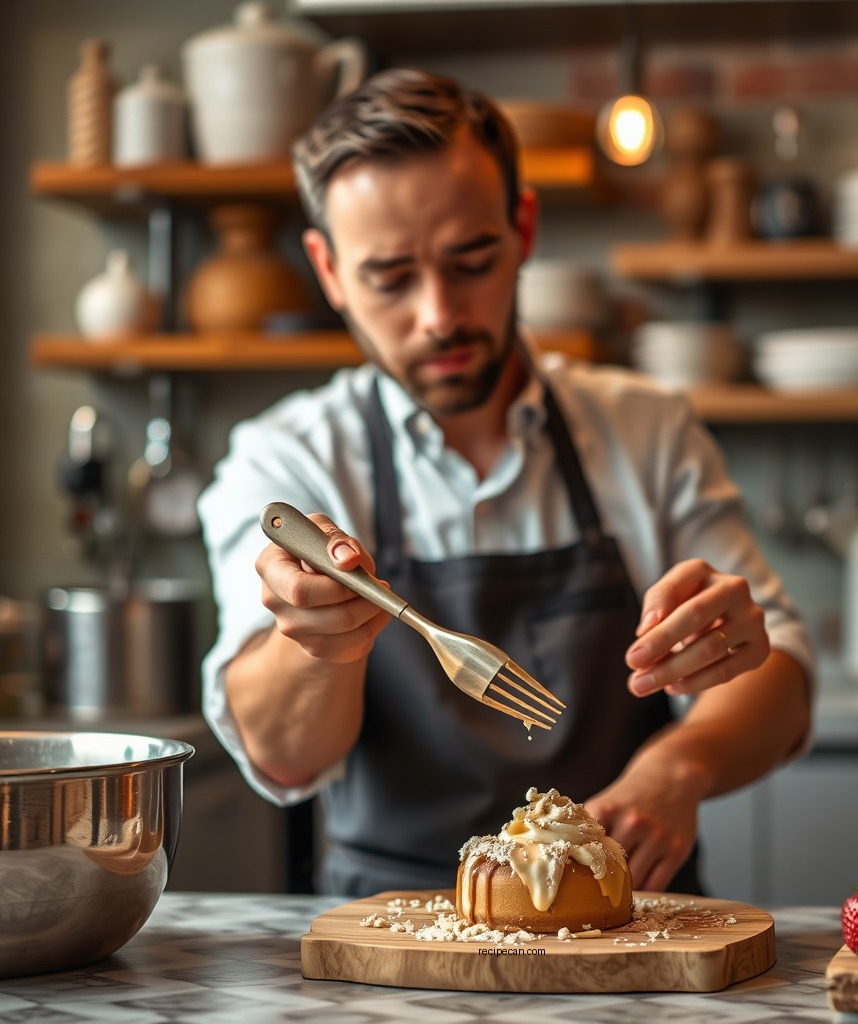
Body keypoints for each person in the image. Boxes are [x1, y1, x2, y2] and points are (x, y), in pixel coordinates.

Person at [198, 68, 814, 899]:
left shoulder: (645, 429)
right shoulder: (286, 459)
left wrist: (685, 760)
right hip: (389, 947)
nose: (438, 313)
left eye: (472, 258)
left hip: (628, 919)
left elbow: (784, 677)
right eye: (389, 277)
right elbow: (280, 753)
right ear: (330, 271)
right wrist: (314, 643)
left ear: (522, 228)